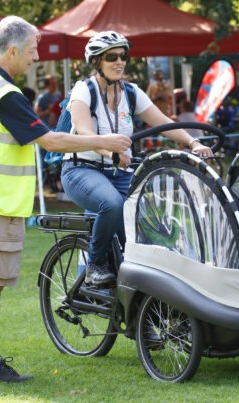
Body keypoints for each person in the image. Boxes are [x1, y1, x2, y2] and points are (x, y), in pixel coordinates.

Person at [0, 16, 131, 386]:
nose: (36, 57)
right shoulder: (7, 96)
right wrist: (104, 141)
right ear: (13, 50)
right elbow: (50, 140)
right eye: (33, 49)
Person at [61, 31, 213, 288]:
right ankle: (94, 266)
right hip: (81, 169)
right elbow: (85, 132)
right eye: (112, 57)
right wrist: (112, 152)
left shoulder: (131, 93)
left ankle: (137, 283)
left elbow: (163, 122)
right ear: (97, 62)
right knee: (112, 204)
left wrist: (193, 142)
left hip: (117, 172)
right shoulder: (83, 90)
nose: (119, 62)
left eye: (123, 56)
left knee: (146, 219)